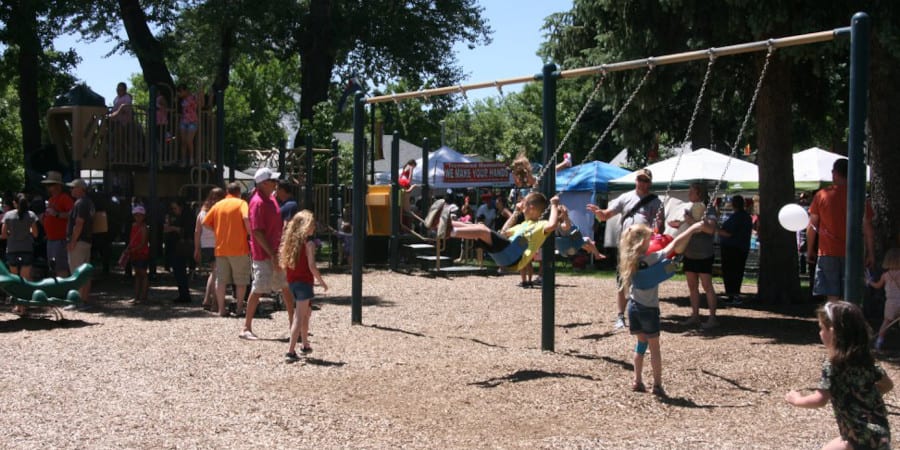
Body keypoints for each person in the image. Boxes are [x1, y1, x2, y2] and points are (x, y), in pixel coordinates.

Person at [619, 221, 711, 396]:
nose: (651, 242)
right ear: (641, 243)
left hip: (634, 308)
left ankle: (637, 380)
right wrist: (692, 228)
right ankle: (657, 385)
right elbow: (674, 245)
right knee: (654, 348)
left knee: (640, 345)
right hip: (649, 309)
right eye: (648, 239)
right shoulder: (651, 258)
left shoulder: (628, 261)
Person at [785, 301, 892, 450]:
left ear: (833, 332)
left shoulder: (833, 366)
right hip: (880, 435)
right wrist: (863, 396)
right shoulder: (867, 361)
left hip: (858, 437)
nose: (820, 333)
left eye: (822, 328)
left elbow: (819, 400)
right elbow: (887, 384)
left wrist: (796, 399)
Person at [587, 168, 664, 329]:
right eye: (640, 179)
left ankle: (647, 311)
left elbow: (659, 228)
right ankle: (621, 316)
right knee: (623, 279)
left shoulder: (656, 202)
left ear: (649, 183)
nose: (642, 183)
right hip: (626, 245)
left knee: (647, 278)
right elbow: (607, 215)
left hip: (645, 247)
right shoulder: (625, 197)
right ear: (636, 181)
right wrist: (599, 213)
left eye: (645, 180)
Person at [423, 192, 559, 274]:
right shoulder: (523, 225)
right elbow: (504, 232)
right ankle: (440, 224)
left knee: (482, 230)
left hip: (513, 257)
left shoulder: (540, 225)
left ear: (531, 207)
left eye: (524, 204)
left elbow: (552, 225)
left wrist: (554, 205)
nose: (521, 206)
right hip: (507, 254)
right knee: (478, 227)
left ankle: (450, 232)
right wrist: (516, 213)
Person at [807, 159, 875, 302]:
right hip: (853, 253)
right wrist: (871, 253)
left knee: (831, 294)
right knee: (850, 293)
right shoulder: (859, 196)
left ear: (834, 173)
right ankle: (848, 321)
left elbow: (812, 226)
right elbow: (868, 229)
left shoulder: (821, 195)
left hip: (827, 252)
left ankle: (833, 322)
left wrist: (810, 249)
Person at [241, 168, 295, 340]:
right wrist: (271, 254)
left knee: (286, 286)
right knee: (259, 288)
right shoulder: (257, 202)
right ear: (263, 183)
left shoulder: (271, 198)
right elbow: (256, 232)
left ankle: (294, 324)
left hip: (275, 252)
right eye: (273, 180)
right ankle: (246, 327)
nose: (276, 183)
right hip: (264, 254)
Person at [280, 210, 328, 363]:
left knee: (306, 312)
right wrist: (321, 281)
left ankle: (305, 344)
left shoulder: (291, 243)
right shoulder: (309, 244)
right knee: (299, 317)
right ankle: (290, 350)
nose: (314, 227)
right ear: (306, 226)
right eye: (312, 224)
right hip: (304, 284)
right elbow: (312, 266)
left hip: (292, 283)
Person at [672, 183, 719, 329]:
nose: (689, 194)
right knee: (692, 286)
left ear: (699, 193)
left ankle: (712, 318)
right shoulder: (690, 208)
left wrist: (691, 222)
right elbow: (689, 227)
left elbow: (710, 229)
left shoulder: (709, 209)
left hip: (704, 254)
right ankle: (695, 316)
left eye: (691, 191)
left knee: (707, 286)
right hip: (689, 252)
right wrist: (680, 224)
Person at [202, 182, 251, 317]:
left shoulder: (218, 205)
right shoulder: (242, 204)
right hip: (239, 248)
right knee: (241, 280)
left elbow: (205, 222)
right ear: (239, 192)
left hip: (221, 248)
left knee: (221, 280)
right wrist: (250, 233)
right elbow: (246, 217)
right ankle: (240, 308)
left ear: (227, 192)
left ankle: (221, 309)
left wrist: (217, 231)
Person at [2, 194, 38, 315]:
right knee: (25, 279)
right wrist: (27, 231)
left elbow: (3, 235)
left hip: (12, 249)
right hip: (27, 249)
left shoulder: (8, 215)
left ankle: (18, 306)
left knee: (15, 279)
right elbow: (36, 234)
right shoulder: (31, 215)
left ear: (14, 203)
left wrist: (10, 233)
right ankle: (24, 306)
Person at [717, 195, 753, 305]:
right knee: (737, 272)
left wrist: (716, 230)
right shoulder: (746, 217)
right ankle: (733, 295)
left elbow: (728, 233)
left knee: (731, 273)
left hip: (732, 249)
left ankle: (733, 295)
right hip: (741, 248)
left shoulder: (737, 217)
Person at [66, 179, 95, 308]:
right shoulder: (89, 202)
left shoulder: (80, 203)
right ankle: (84, 300)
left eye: (73, 187)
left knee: (76, 272)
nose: (71, 190)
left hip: (79, 242)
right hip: (87, 241)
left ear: (80, 189)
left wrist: (73, 241)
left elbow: (79, 223)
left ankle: (76, 301)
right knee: (85, 273)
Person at [195, 187, 225, 310]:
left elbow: (197, 231)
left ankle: (207, 299)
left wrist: (197, 248)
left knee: (214, 273)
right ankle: (214, 303)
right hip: (217, 245)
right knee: (217, 274)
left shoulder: (202, 212)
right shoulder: (219, 212)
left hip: (205, 246)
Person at [867, 248, 900, 351]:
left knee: (886, 322)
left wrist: (869, 282)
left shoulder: (885, 275)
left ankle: (879, 341)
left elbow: (877, 286)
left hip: (890, 301)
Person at [42, 172, 74, 276]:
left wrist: (57, 214)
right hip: (51, 239)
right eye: (47, 185)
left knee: (61, 267)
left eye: (50, 184)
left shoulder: (64, 198)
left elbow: (72, 214)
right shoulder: (51, 199)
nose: (48, 187)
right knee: (53, 267)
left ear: (58, 186)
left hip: (60, 240)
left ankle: (64, 290)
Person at [164, 200, 192, 303]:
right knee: (178, 272)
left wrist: (174, 228)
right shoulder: (173, 217)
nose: (174, 210)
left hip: (182, 248)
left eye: (175, 208)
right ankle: (182, 294)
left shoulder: (187, 217)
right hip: (174, 247)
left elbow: (187, 231)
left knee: (181, 272)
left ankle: (185, 295)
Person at [126, 205, 150, 303]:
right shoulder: (133, 226)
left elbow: (143, 243)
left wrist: (133, 250)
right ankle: (136, 296)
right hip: (134, 253)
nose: (138, 217)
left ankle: (143, 297)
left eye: (140, 215)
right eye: (136, 215)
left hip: (142, 253)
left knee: (143, 274)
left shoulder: (144, 228)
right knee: (137, 274)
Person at [177, 84, 199, 167]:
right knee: (183, 142)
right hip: (183, 121)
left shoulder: (193, 96)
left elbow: (202, 103)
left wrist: (201, 89)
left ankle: (191, 158)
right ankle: (183, 160)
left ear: (185, 90)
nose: (179, 93)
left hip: (192, 121)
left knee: (189, 140)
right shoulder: (181, 100)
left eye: (180, 91)